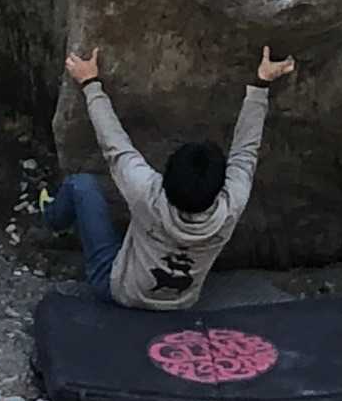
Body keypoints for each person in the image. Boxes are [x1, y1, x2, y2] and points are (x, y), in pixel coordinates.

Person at [40, 45, 297, 310]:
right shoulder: (231, 206)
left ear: (165, 178)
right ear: (220, 188)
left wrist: (90, 83)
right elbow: (245, 153)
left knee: (81, 185)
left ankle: (51, 219)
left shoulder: (147, 195)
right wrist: (261, 84)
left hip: (117, 290)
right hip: (181, 302)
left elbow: (114, 144)